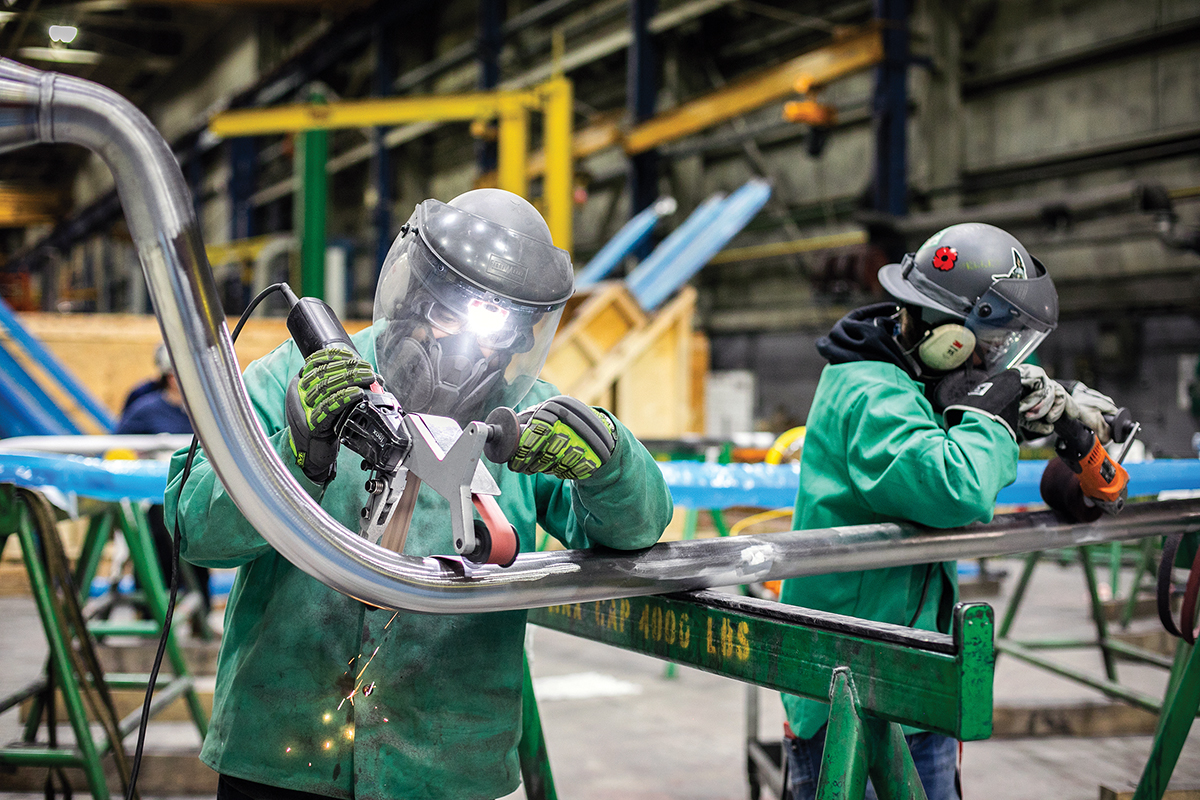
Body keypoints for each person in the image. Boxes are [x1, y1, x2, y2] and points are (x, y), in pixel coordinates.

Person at [164, 189, 673, 800]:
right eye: (454, 319)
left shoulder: (525, 421)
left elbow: (634, 532)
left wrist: (611, 466)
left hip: (445, 765)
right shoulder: (297, 377)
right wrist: (293, 453)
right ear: (414, 298)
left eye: (497, 333)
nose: (471, 353)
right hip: (280, 751)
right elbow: (194, 530)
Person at [779, 223, 1116, 800]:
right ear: (951, 337)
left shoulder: (907, 375)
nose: (991, 359)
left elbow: (942, 419)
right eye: (990, 344)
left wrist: (1032, 411)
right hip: (851, 687)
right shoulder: (870, 391)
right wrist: (991, 419)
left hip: (901, 676)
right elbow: (953, 486)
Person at [115, 344, 210, 619]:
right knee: (157, 542)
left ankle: (199, 614)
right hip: (155, 503)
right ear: (170, 376)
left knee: (198, 549)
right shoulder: (146, 410)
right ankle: (149, 613)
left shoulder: (204, 411)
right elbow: (116, 450)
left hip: (194, 500)